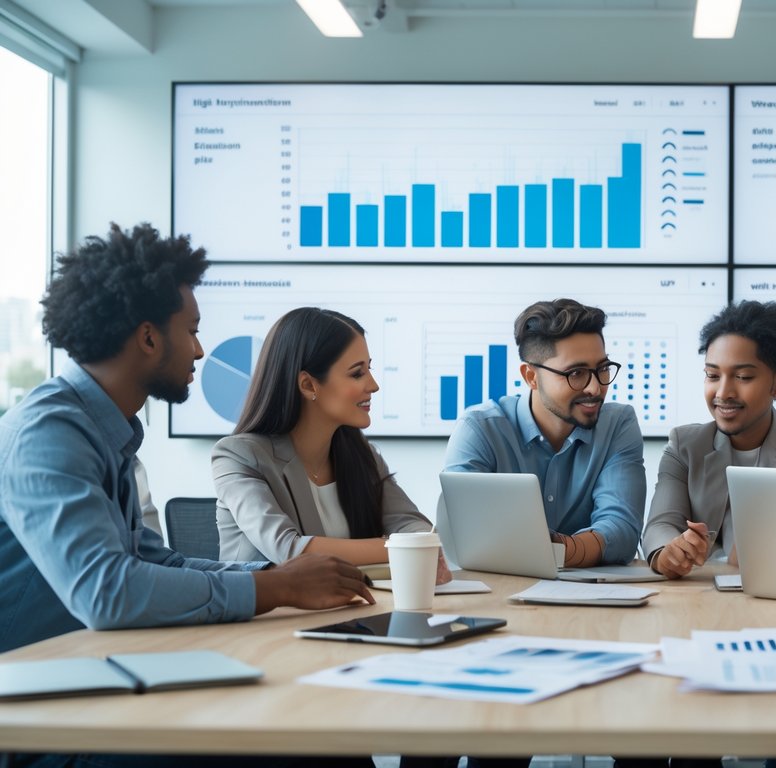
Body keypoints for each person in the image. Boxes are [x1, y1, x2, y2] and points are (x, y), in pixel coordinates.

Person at [0, 222, 374, 767]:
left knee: (323, 738)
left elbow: (153, 560)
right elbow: (107, 593)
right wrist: (274, 589)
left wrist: (274, 581)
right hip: (41, 723)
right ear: (149, 338)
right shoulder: (50, 432)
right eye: (192, 330)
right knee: (296, 746)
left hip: (92, 680)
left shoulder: (104, 431)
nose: (200, 349)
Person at [213, 307, 449, 584]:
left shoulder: (363, 455)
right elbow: (289, 550)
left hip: (351, 611)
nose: (373, 385)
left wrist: (416, 542)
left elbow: (412, 525)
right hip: (267, 620)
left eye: (369, 369)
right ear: (309, 385)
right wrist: (402, 548)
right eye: (357, 373)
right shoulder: (238, 457)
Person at [643, 300, 776, 578]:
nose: (724, 392)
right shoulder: (684, 445)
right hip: (696, 596)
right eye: (712, 375)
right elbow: (659, 525)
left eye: (743, 376)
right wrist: (669, 553)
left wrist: (764, 547)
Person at [443, 298, 645, 567]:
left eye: (602, 369)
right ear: (530, 377)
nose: (596, 389)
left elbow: (621, 532)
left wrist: (544, 549)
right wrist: (568, 549)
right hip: (499, 594)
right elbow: (463, 534)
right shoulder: (479, 429)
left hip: (592, 596)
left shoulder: (618, 424)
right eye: (576, 373)